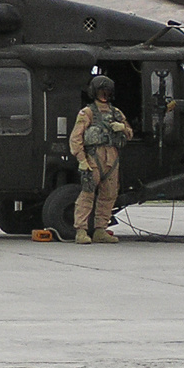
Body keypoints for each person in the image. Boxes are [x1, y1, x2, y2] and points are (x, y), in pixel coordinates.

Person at [69, 75, 133, 244]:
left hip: (112, 158)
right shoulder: (87, 113)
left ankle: (100, 229)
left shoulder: (116, 113)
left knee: (109, 195)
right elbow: (76, 138)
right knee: (87, 193)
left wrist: (123, 128)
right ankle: (81, 230)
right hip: (93, 157)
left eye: (107, 92)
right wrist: (82, 160)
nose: (104, 95)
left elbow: (129, 133)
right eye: (101, 91)